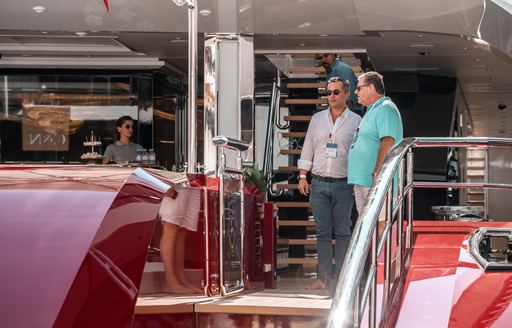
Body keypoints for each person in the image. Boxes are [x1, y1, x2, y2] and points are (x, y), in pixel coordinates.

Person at [298, 77, 361, 290]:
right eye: (329, 92)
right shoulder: (317, 119)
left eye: (335, 92)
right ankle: (322, 278)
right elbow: (308, 146)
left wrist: (357, 181)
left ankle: (343, 278)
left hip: (344, 184)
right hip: (318, 183)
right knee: (323, 232)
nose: (331, 96)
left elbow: (359, 154)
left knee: (343, 232)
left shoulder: (356, 121)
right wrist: (302, 175)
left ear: (346, 94)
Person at [348, 71, 403, 217]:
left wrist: (378, 174)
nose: (355, 91)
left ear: (371, 88)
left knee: (378, 224)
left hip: (375, 182)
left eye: (359, 88)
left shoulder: (386, 108)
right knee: (366, 226)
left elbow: (388, 142)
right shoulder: (373, 109)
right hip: (363, 180)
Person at [159, 186, 203, 294]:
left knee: (183, 230)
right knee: (171, 227)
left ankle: (181, 280)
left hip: (192, 181)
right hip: (175, 179)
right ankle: (171, 282)